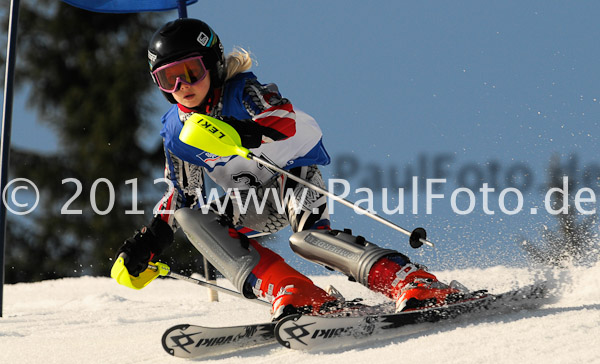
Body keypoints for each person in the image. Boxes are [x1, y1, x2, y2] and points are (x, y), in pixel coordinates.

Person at [115, 18, 461, 320]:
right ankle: (295, 291)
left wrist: (245, 131)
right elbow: (181, 196)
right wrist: (148, 243)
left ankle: (410, 281)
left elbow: (282, 117)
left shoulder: (242, 93)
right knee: (193, 219)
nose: (182, 87)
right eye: (168, 79)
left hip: (290, 177)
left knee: (307, 239)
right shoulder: (176, 132)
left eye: (191, 72)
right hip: (251, 202)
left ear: (213, 65)